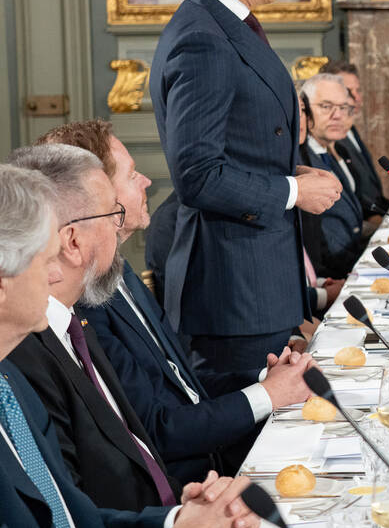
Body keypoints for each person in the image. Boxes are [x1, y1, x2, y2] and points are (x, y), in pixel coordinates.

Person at [0, 163, 262, 528]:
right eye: (45, 260)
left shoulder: (9, 383)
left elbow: (73, 522)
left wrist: (176, 522)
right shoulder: (21, 368)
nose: (56, 274)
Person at [36, 120, 316, 484]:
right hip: (184, 484)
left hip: (215, 455)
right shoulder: (84, 302)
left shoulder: (121, 273)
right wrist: (267, 395)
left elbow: (182, 383)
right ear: (99, 193)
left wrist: (267, 378)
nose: (146, 181)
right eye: (132, 175)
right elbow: (156, 429)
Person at [151, 0, 342, 376]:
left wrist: (290, 171)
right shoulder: (202, 38)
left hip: (256, 284)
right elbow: (197, 175)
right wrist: (294, 190)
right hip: (233, 291)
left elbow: (238, 147)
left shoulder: (227, 24)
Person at [7, 144, 179, 512]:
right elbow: (71, 515)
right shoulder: (22, 352)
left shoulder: (75, 323)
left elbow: (136, 452)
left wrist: (181, 513)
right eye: (114, 214)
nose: (120, 228)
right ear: (72, 242)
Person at [300, 74, 371, 269]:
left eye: (343, 107)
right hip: (332, 272)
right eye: (326, 106)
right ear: (305, 110)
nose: (337, 115)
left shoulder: (332, 149)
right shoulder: (300, 160)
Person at [319, 59, 389, 215]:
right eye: (348, 91)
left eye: (358, 90)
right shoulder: (331, 136)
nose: (357, 97)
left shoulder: (351, 129)